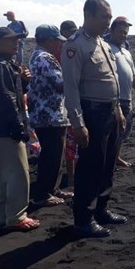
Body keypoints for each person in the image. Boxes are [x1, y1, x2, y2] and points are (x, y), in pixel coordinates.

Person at [62, 0, 127, 238]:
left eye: (109, 17)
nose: (107, 22)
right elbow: (71, 87)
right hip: (92, 113)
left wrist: (118, 109)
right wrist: (78, 123)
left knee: (107, 164)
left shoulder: (102, 43)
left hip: (109, 111)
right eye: (103, 17)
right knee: (91, 167)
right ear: (87, 15)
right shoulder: (75, 45)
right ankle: (83, 219)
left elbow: (112, 80)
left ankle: (101, 209)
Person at [0, 27, 40, 231]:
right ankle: (15, 217)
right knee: (18, 173)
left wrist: (23, 81)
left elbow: (14, 94)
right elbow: (5, 98)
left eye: (17, 39)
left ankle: (6, 214)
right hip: (5, 128)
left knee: (7, 174)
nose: (16, 43)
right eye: (11, 40)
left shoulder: (5, 64)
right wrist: (17, 127)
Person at [27, 24, 73, 207]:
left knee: (54, 155)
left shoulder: (36, 56)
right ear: (49, 40)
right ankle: (42, 194)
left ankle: (51, 189)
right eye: (56, 41)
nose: (59, 45)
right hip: (50, 115)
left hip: (45, 113)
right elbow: (61, 84)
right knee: (51, 156)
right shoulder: (45, 58)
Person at [105, 16, 135, 168]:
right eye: (120, 32)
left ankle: (116, 157)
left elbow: (133, 75)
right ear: (112, 30)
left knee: (123, 132)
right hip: (113, 99)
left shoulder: (126, 52)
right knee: (113, 133)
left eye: (126, 32)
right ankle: (108, 161)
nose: (123, 35)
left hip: (127, 98)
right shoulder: (106, 48)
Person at [59, 20, 80, 186]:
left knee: (74, 140)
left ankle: (73, 174)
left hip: (73, 100)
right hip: (68, 101)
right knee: (71, 141)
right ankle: (72, 176)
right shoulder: (66, 48)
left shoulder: (67, 47)